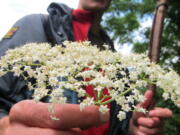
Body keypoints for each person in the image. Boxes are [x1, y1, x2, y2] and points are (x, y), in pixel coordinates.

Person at [0, 0, 172, 135]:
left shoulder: (115, 63)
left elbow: (111, 126)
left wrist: (132, 129)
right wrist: (4, 127)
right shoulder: (36, 26)